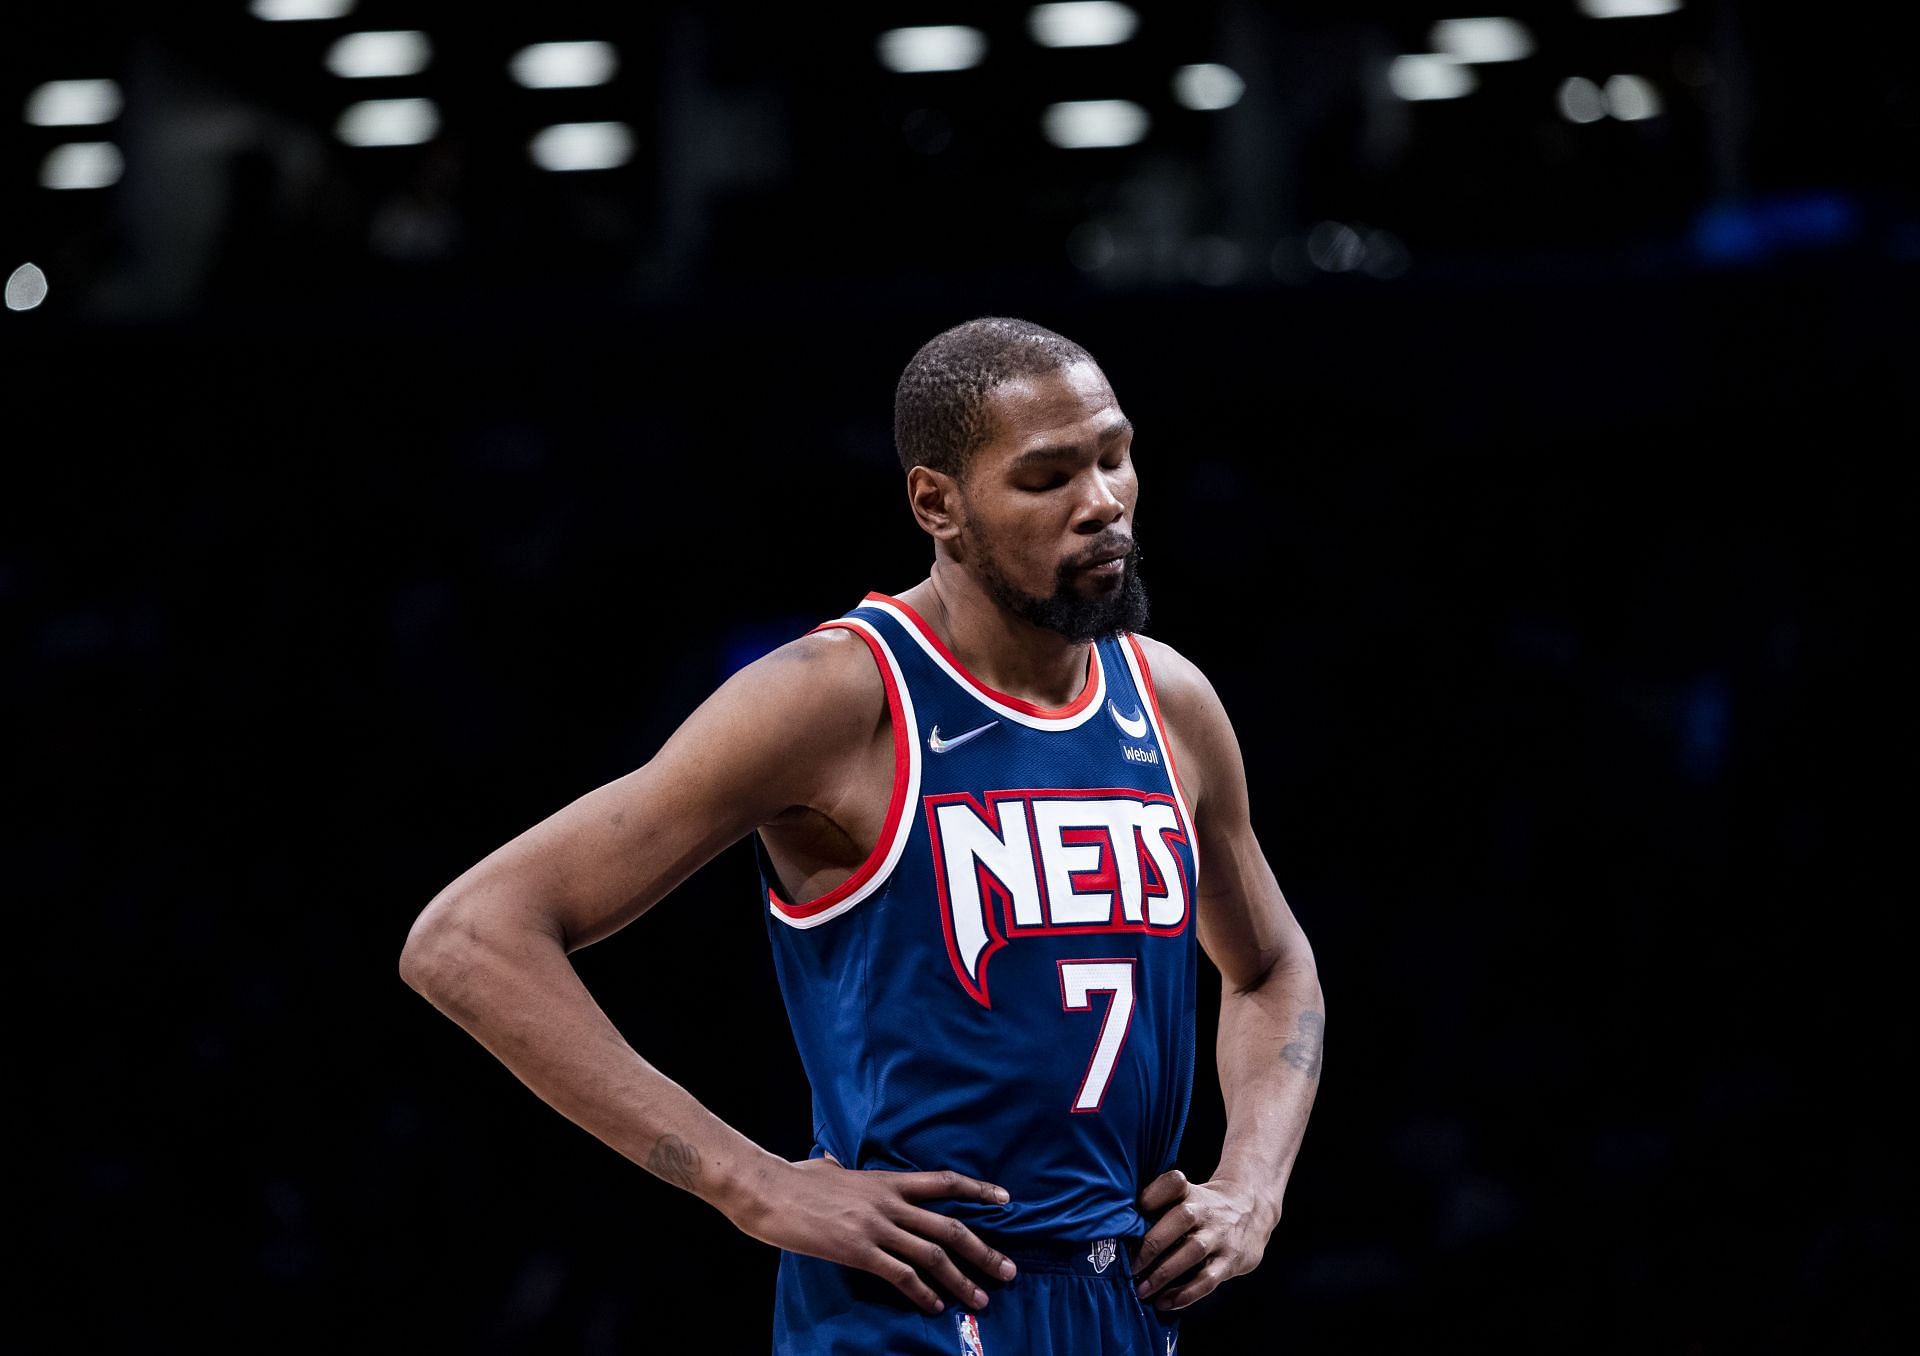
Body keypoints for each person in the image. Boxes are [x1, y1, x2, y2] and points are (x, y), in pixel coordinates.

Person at [400, 317, 1325, 1354]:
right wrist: (748, 1184)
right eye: (1047, 477)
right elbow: (470, 938)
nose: (1102, 502)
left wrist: (1252, 1186)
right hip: (914, 1305)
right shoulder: (839, 696)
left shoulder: (1170, 701)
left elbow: (1272, 966)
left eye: (1114, 455)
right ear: (938, 503)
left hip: (1125, 1301)